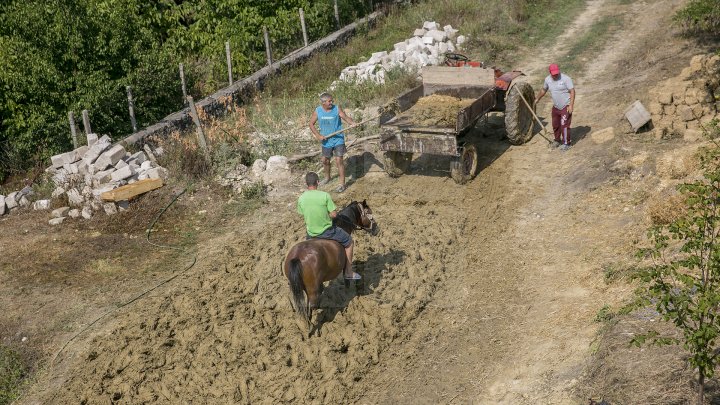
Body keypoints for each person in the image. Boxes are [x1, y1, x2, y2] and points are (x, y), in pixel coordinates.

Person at [297, 172, 361, 280]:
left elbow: (302, 213)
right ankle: (348, 272)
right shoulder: (324, 195)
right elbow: (334, 214)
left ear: (306, 184)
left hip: (311, 232)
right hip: (327, 231)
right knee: (349, 241)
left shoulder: (301, 198)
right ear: (318, 182)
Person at [309, 92, 356, 193]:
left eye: (331, 100)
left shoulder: (336, 108)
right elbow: (311, 124)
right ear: (323, 102)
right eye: (329, 101)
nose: (331, 102)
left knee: (339, 160)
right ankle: (327, 178)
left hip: (338, 139)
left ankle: (342, 184)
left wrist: (352, 123)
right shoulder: (318, 111)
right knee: (325, 160)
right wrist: (318, 135)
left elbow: (345, 117)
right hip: (326, 140)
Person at [534, 63, 575, 151]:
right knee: (555, 124)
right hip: (556, 107)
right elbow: (544, 89)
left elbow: (572, 91)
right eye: (554, 74)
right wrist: (537, 98)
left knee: (564, 125)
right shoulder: (547, 79)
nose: (555, 75)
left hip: (565, 106)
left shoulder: (566, 79)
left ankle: (566, 143)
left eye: (557, 73)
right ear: (550, 72)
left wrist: (571, 105)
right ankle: (557, 140)